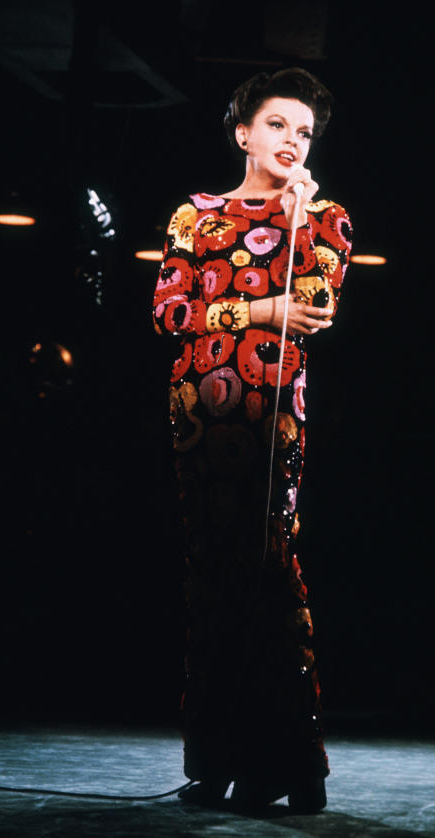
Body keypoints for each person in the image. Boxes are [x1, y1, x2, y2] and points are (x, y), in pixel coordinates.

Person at [152, 68, 352, 813]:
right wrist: (263, 305)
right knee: (213, 575)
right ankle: (214, 764)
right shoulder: (194, 216)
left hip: (273, 415)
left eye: (304, 132)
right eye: (278, 125)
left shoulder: (323, 216)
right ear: (243, 133)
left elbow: (316, 308)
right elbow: (170, 313)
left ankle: (291, 764)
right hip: (200, 412)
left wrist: (294, 230)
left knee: (270, 570)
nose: (292, 140)